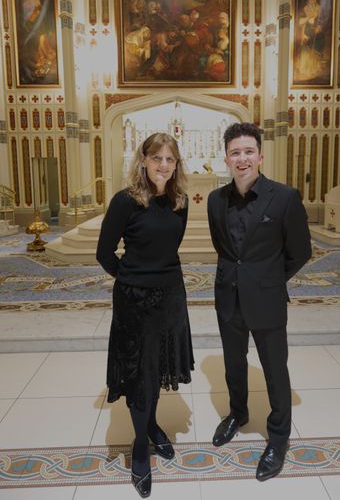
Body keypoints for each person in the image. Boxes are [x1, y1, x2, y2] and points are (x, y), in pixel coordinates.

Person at [207, 122, 312, 482]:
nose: (242, 158)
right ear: (226, 158)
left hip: (266, 300)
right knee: (233, 363)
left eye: (248, 151)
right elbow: (223, 249)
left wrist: (266, 279)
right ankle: (238, 413)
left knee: (274, 369)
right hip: (228, 298)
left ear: (260, 156)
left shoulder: (284, 197)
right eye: (235, 152)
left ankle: (279, 438)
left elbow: (300, 252)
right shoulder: (215, 200)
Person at [96, 132, 194, 498]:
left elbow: (170, 248)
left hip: (169, 298)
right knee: (140, 374)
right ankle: (140, 447)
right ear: (143, 161)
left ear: (176, 164)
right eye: (157, 159)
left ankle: (152, 425)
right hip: (134, 301)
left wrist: (159, 280)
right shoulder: (125, 201)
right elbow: (105, 253)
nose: (164, 166)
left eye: (170, 160)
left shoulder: (180, 201)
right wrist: (131, 278)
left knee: (156, 368)